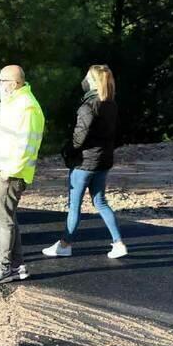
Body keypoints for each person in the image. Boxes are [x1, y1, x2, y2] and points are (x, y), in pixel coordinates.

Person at [44, 64, 127, 259]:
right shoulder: (111, 104)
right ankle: (118, 242)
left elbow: (79, 136)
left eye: (88, 77)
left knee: (74, 205)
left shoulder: (88, 106)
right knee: (101, 201)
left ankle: (65, 244)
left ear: (93, 81)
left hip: (84, 162)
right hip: (103, 160)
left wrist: (68, 151)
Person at [0, 65, 45, 286]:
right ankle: (17, 265)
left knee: (3, 221)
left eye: (2, 80)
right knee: (8, 218)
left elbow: (26, 144)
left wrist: (9, 172)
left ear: (15, 83)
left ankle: (4, 266)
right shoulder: (13, 103)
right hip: (0, 169)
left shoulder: (26, 107)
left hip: (10, 173)